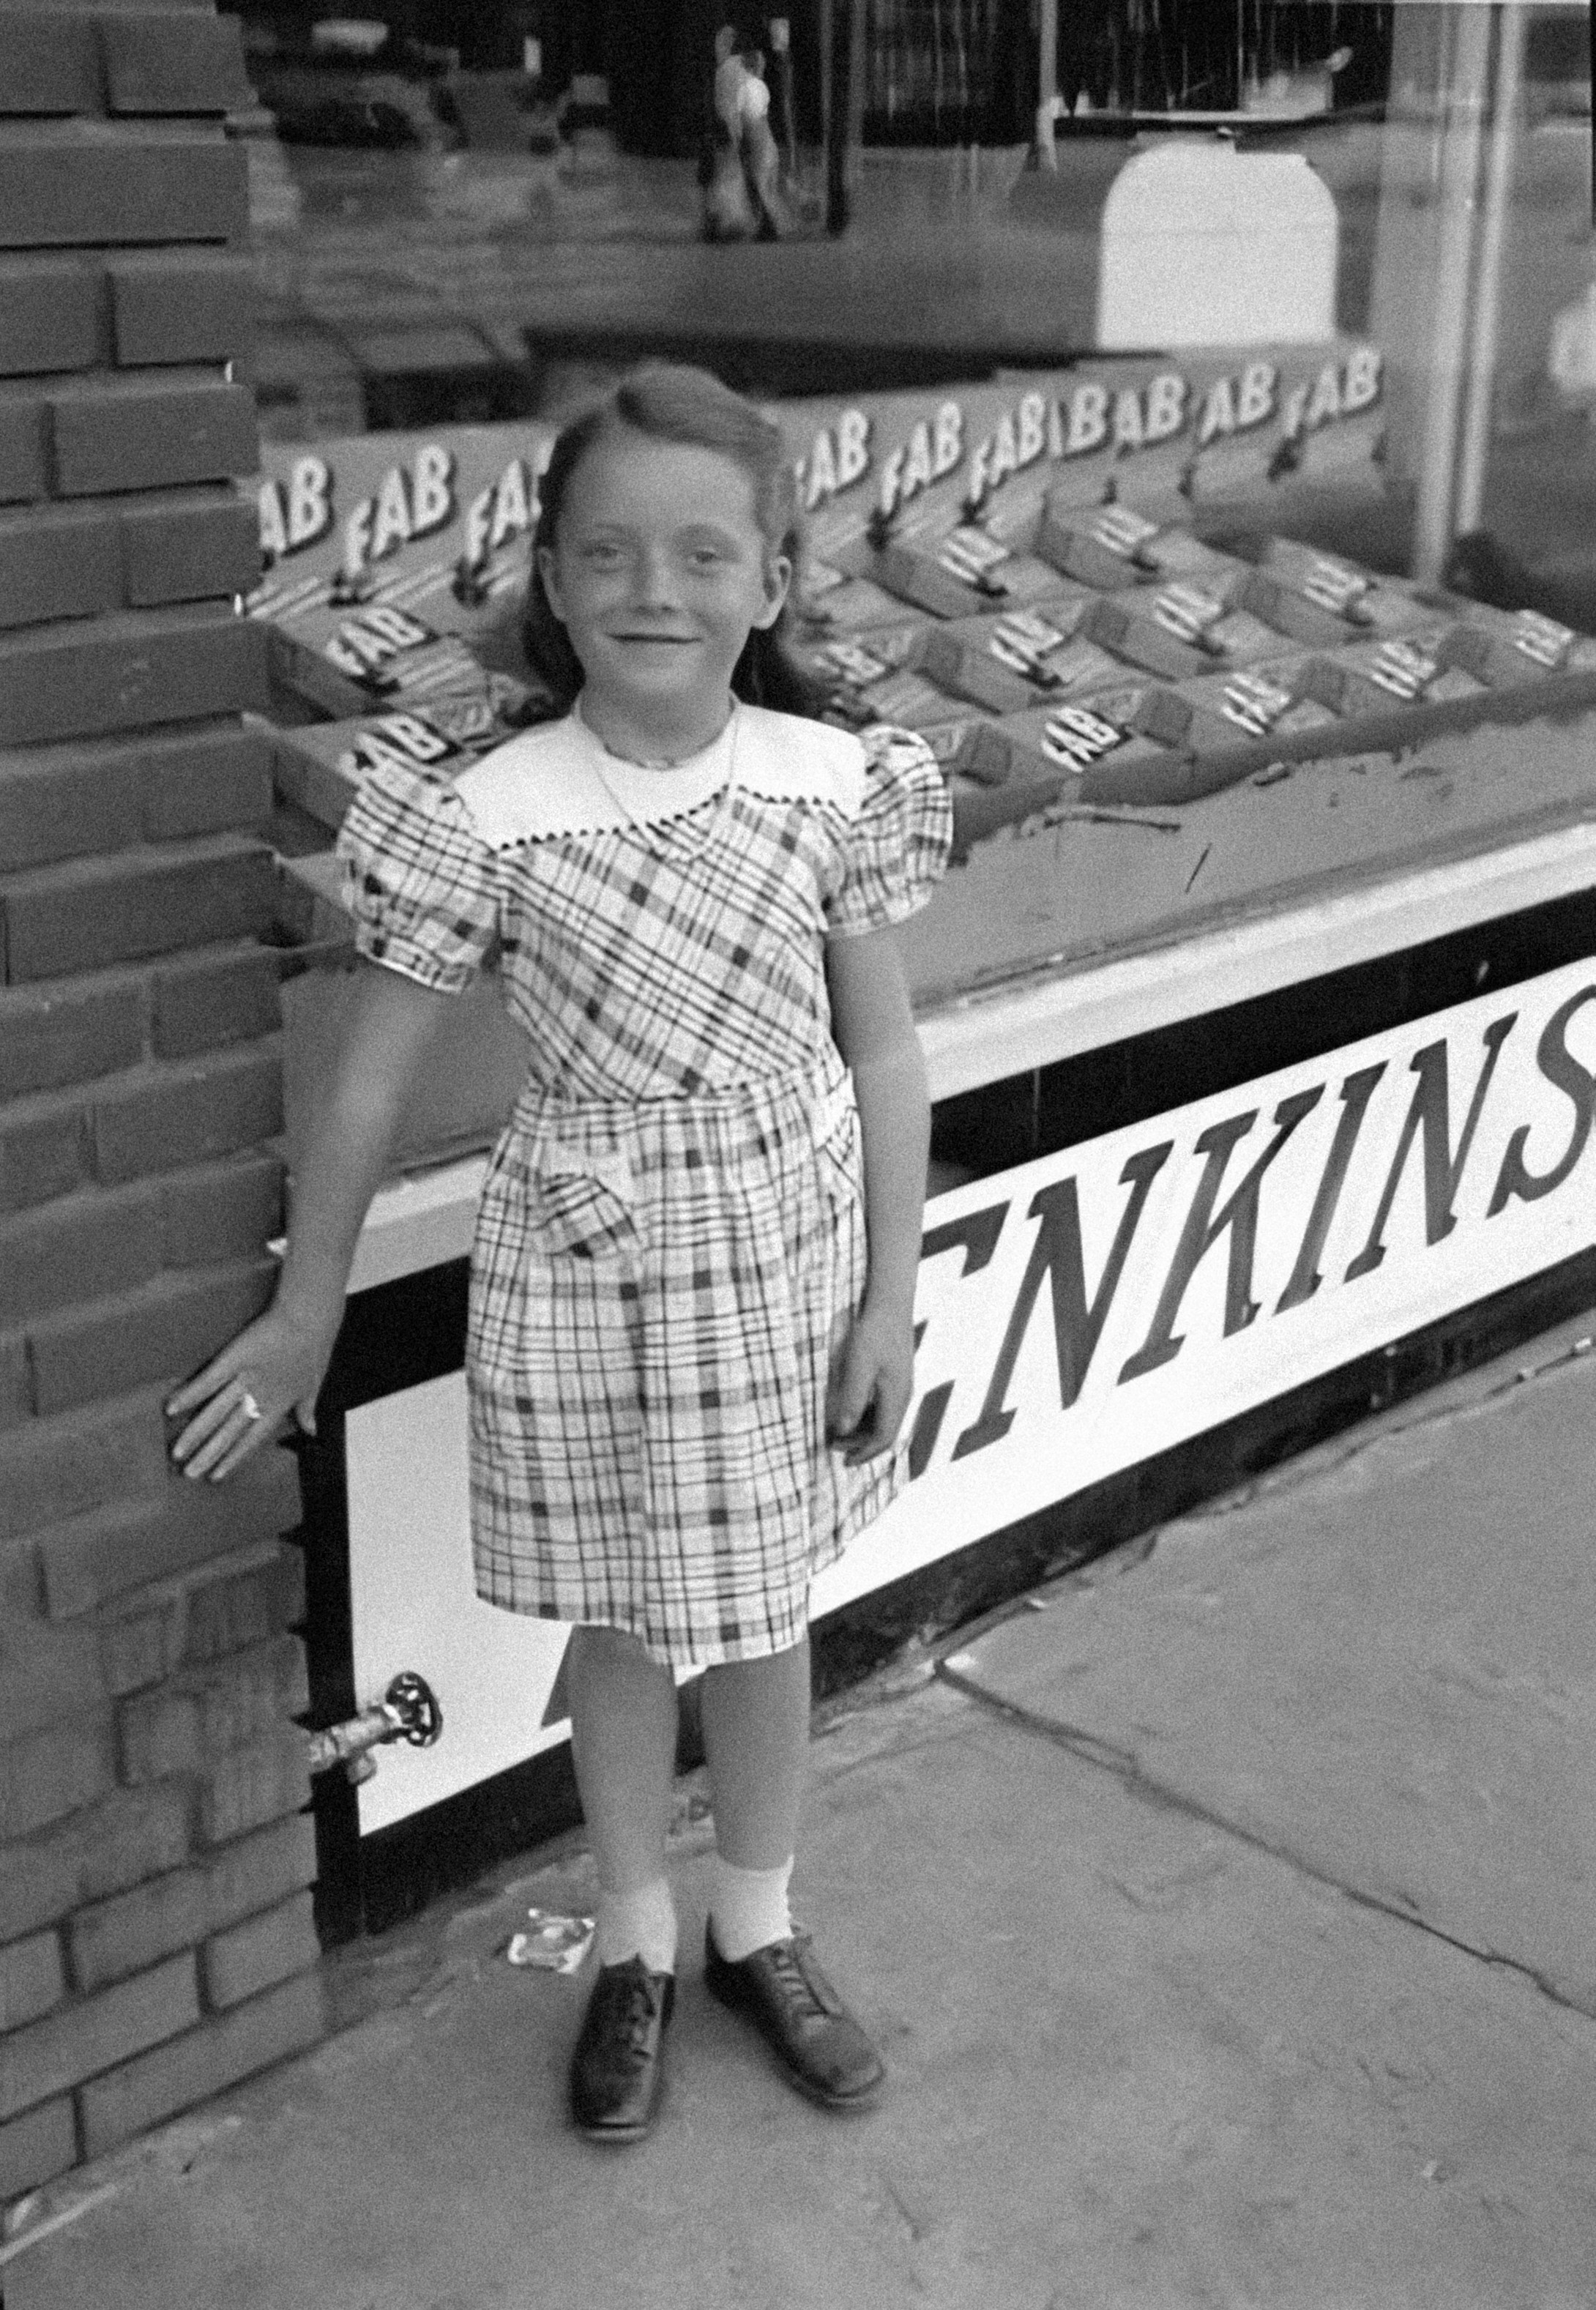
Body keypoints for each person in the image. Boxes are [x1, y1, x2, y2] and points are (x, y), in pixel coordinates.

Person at [166, 362, 953, 2145]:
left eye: (699, 553)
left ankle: (758, 1919)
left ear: (771, 578)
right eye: (607, 552)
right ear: (549, 573)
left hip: (781, 1257)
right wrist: (306, 1312)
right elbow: (367, 1085)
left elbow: (887, 1052)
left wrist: (891, 1299)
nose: (651, 591)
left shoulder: (834, 784)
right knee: (621, 1614)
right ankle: (636, 1939)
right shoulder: (485, 810)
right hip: (583, 1269)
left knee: (759, 1614)